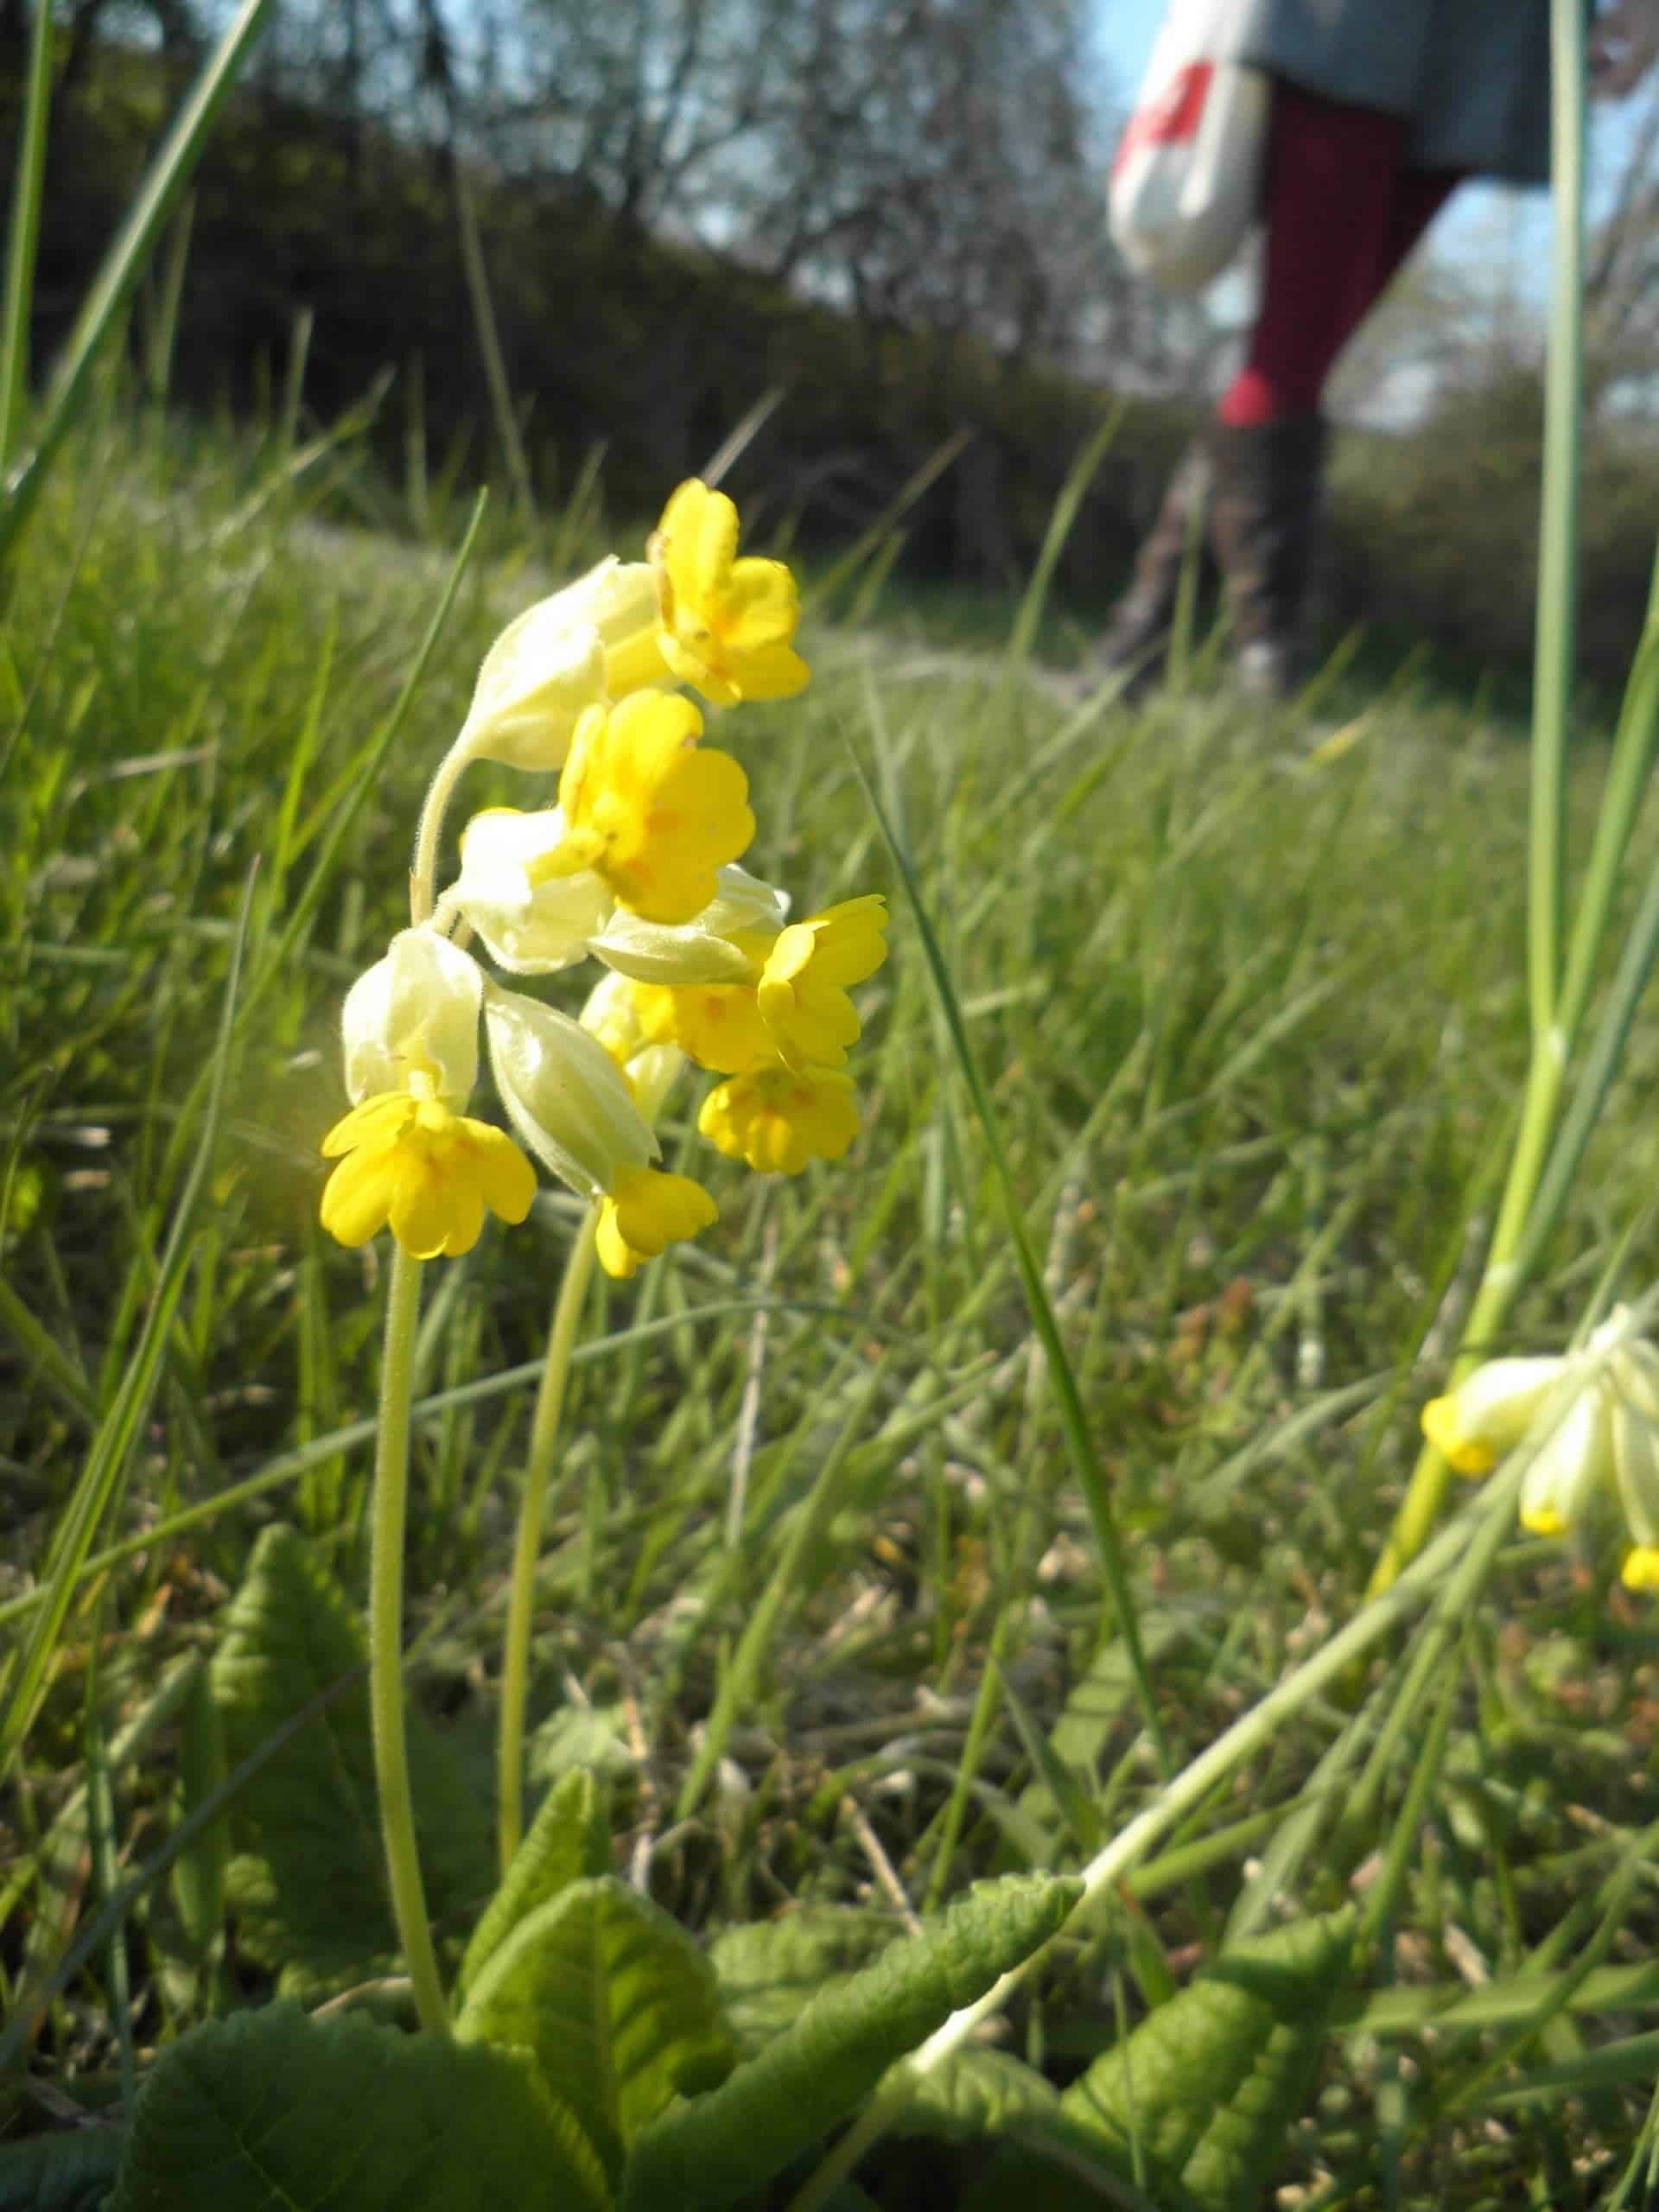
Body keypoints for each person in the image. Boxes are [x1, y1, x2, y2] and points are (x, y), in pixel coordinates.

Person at [1101, 0, 1659, 700]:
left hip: (1492, 33)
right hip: (1350, 22)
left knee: (1301, 352)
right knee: (1292, 353)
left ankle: (1148, 644)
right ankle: (1260, 662)